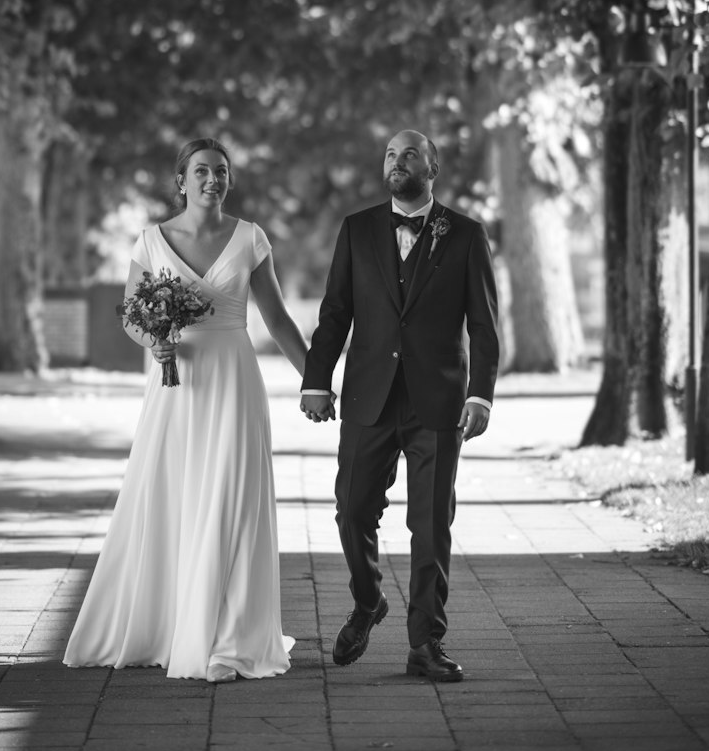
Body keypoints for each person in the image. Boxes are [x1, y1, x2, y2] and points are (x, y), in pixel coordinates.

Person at [64, 138, 309, 682]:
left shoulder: (250, 238)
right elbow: (132, 316)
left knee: (233, 499)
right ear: (181, 180)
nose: (211, 180)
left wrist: (316, 380)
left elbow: (277, 318)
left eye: (221, 171)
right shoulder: (151, 241)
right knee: (174, 496)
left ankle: (231, 641)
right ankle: (171, 624)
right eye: (201, 171)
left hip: (233, 380)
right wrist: (154, 342)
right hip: (175, 387)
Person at [300, 129, 499, 683]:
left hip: (438, 401)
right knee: (352, 509)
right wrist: (317, 379)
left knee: (431, 524)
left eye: (410, 153)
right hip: (370, 395)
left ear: (432, 166)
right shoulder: (357, 230)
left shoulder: (465, 234)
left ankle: (425, 644)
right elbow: (336, 311)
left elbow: (483, 325)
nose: (397, 160)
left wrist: (480, 393)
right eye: (390, 153)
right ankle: (368, 603)